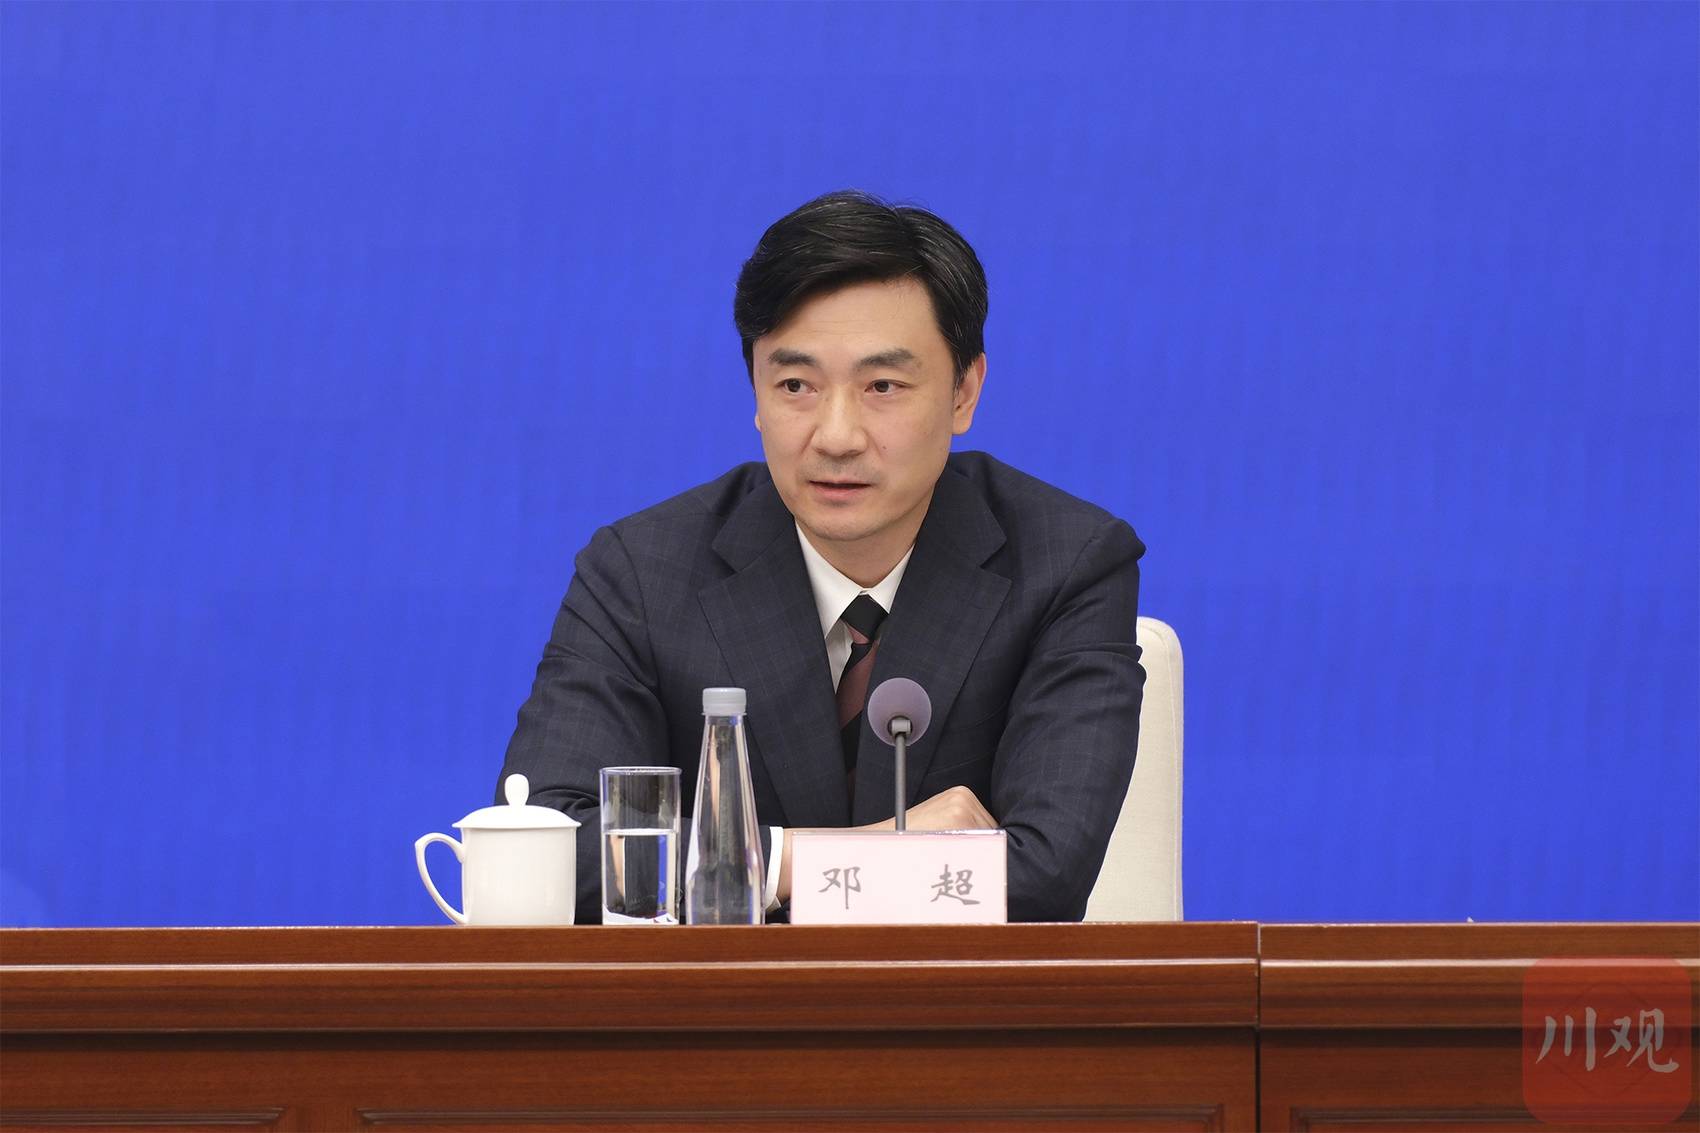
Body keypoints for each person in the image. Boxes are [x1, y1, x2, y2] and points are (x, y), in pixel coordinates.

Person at [500, 190, 1144, 922]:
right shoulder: (642, 572)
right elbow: (544, 848)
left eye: (882, 386)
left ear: (964, 392)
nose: (836, 436)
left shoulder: (1066, 563)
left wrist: (756, 872)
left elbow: (1043, 875)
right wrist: (793, 859)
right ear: (755, 390)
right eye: (796, 385)